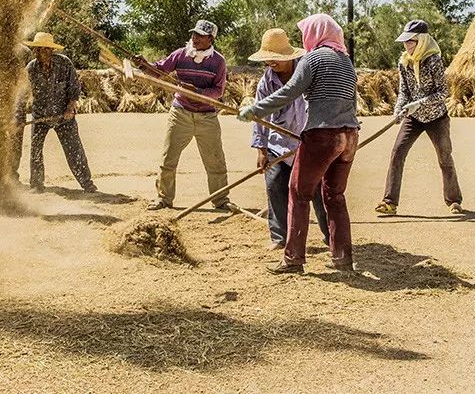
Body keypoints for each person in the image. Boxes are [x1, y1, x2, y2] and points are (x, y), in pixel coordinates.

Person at [239, 14, 360, 275]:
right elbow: (353, 102)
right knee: (334, 195)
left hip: (322, 136)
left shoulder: (312, 58)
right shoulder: (346, 62)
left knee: (298, 192)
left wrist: (255, 110)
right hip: (349, 136)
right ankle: (343, 259)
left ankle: (293, 259)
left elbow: (288, 92)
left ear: (315, 33)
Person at [248, 28, 329, 250]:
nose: (271, 62)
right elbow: (260, 115)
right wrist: (261, 149)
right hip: (278, 144)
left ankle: (331, 236)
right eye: (268, 58)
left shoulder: (307, 71)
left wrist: (314, 137)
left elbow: (317, 105)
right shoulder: (266, 81)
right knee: (275, 186)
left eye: (276, 58)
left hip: (309, 142)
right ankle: (279, 237)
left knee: (319, 193)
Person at [138, 20, 231, 211]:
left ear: (210, 39)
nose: (195, 38)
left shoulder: (218, 61)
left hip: (207, 116)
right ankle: (163, 198)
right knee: (168, 158)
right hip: (180, 113)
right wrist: (144, 65)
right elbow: (160, 70)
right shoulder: (181, 54)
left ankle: (221, 200)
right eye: (194, 34)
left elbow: (218, 91)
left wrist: (197, 91)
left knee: (215, 161)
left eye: (200, 36)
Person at [376, 20, 463, 215]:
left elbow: (442, 93)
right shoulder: (404, 62)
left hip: (437, 118)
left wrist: (420, 103)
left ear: (422, 41)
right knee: (397, 152)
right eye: (405, 42)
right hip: (413, 118)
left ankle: (454, 200)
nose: (407, 46)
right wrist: (399, 109)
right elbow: (403, 91)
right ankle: (389, 202)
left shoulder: (434, 61)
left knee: (444, 157)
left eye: (411, 41)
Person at [20, 32, 97, 194]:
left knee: (74, 149)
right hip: (40, 115)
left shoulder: (64, 64)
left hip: (63, 116)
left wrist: (70, 108)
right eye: (36, 49)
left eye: (42, 49)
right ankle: (36, 184)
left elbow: (74, 88)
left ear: (50, 50)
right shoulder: (31, 69)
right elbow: (21, 94)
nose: (38, 53)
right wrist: (18, 117)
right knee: (36, 150)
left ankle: (87, 183)